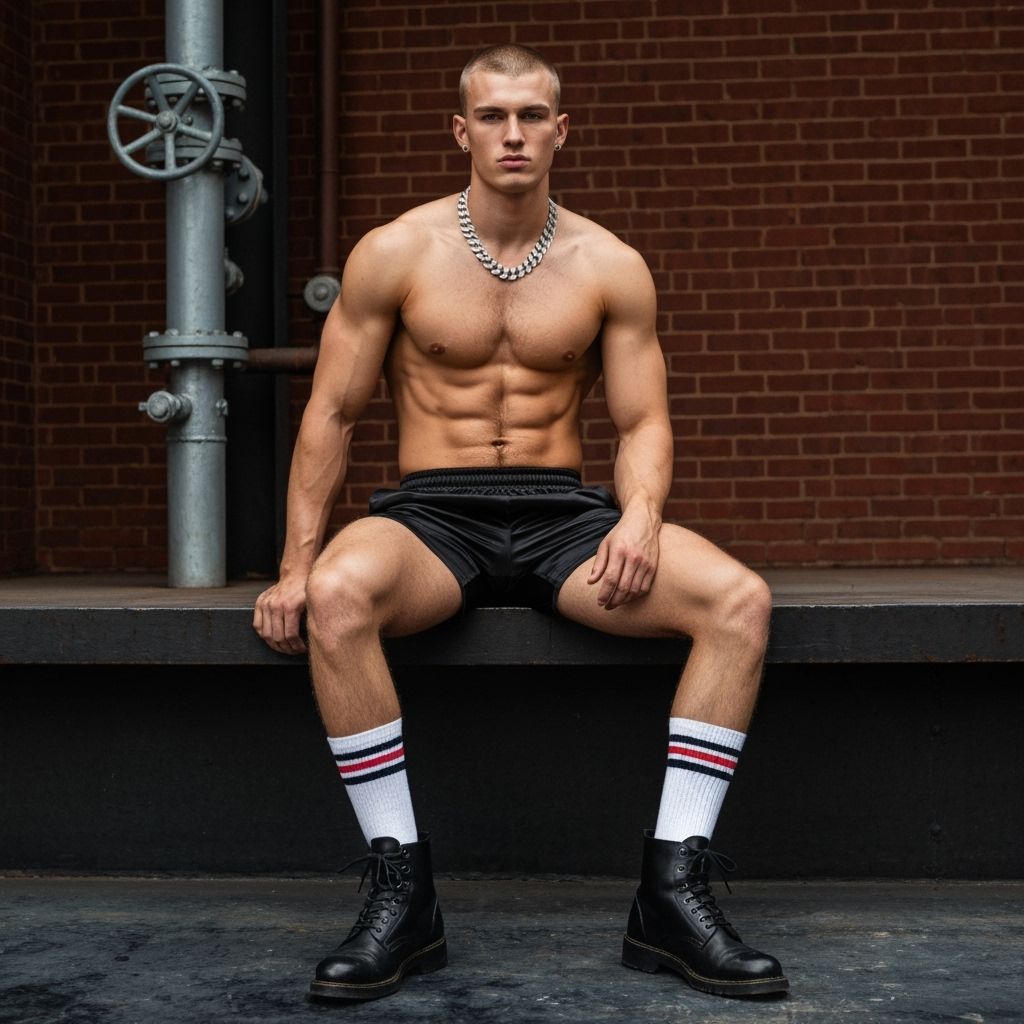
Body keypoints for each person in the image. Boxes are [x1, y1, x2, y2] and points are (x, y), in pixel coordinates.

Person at [253, 44, 787, 1003]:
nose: (513, 133)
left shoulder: (609, 265)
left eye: (532, 116)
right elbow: (331, 416)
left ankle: (672, 893)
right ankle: (400, 894)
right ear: (462, 130)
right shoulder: (395, 252)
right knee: (336, 596)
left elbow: (642, 422)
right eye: (493, 116)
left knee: (739, 602)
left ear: (560, 129)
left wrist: (642, 519)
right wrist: (295, 564)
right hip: (432, 514)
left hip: (561, 516)